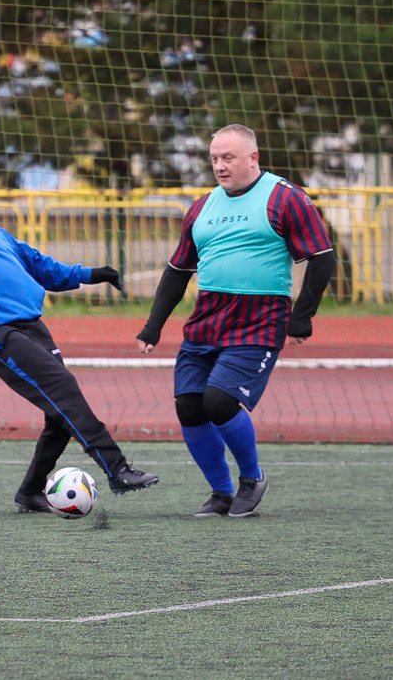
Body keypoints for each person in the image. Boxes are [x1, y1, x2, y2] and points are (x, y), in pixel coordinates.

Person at [0, 160, 159, 514]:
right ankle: (117, 468)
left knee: (59, 414)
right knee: (64, 389)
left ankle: (29, 493)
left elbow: (40, 265)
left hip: (34, 327)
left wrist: (92, 274)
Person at [136, 124, 334, 518]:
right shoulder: (201, 206)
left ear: (252, 158)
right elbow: (178, 270)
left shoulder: (285, 197)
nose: (220, 167)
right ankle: (221, 492)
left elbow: (323, 256)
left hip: (259, 321)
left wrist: (302, 316)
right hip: (206, 320)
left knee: (221, 401)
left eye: (228, 158)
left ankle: (252, 477)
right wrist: (153, 325)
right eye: (214, 159)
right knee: (189, 406)